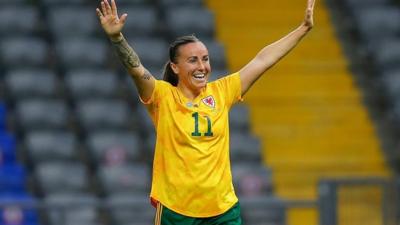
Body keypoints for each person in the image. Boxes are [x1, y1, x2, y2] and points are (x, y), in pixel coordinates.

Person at [96, 0, 315, 224]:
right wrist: (117, 38)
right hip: (177, 211)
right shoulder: (162, 96)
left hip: (223, 210)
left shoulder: (222, 91)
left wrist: (302, 29)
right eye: (193, 60)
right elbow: (136, 69)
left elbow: (263, 59)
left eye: (205, 59)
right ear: (175, 67)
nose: (202, 67)